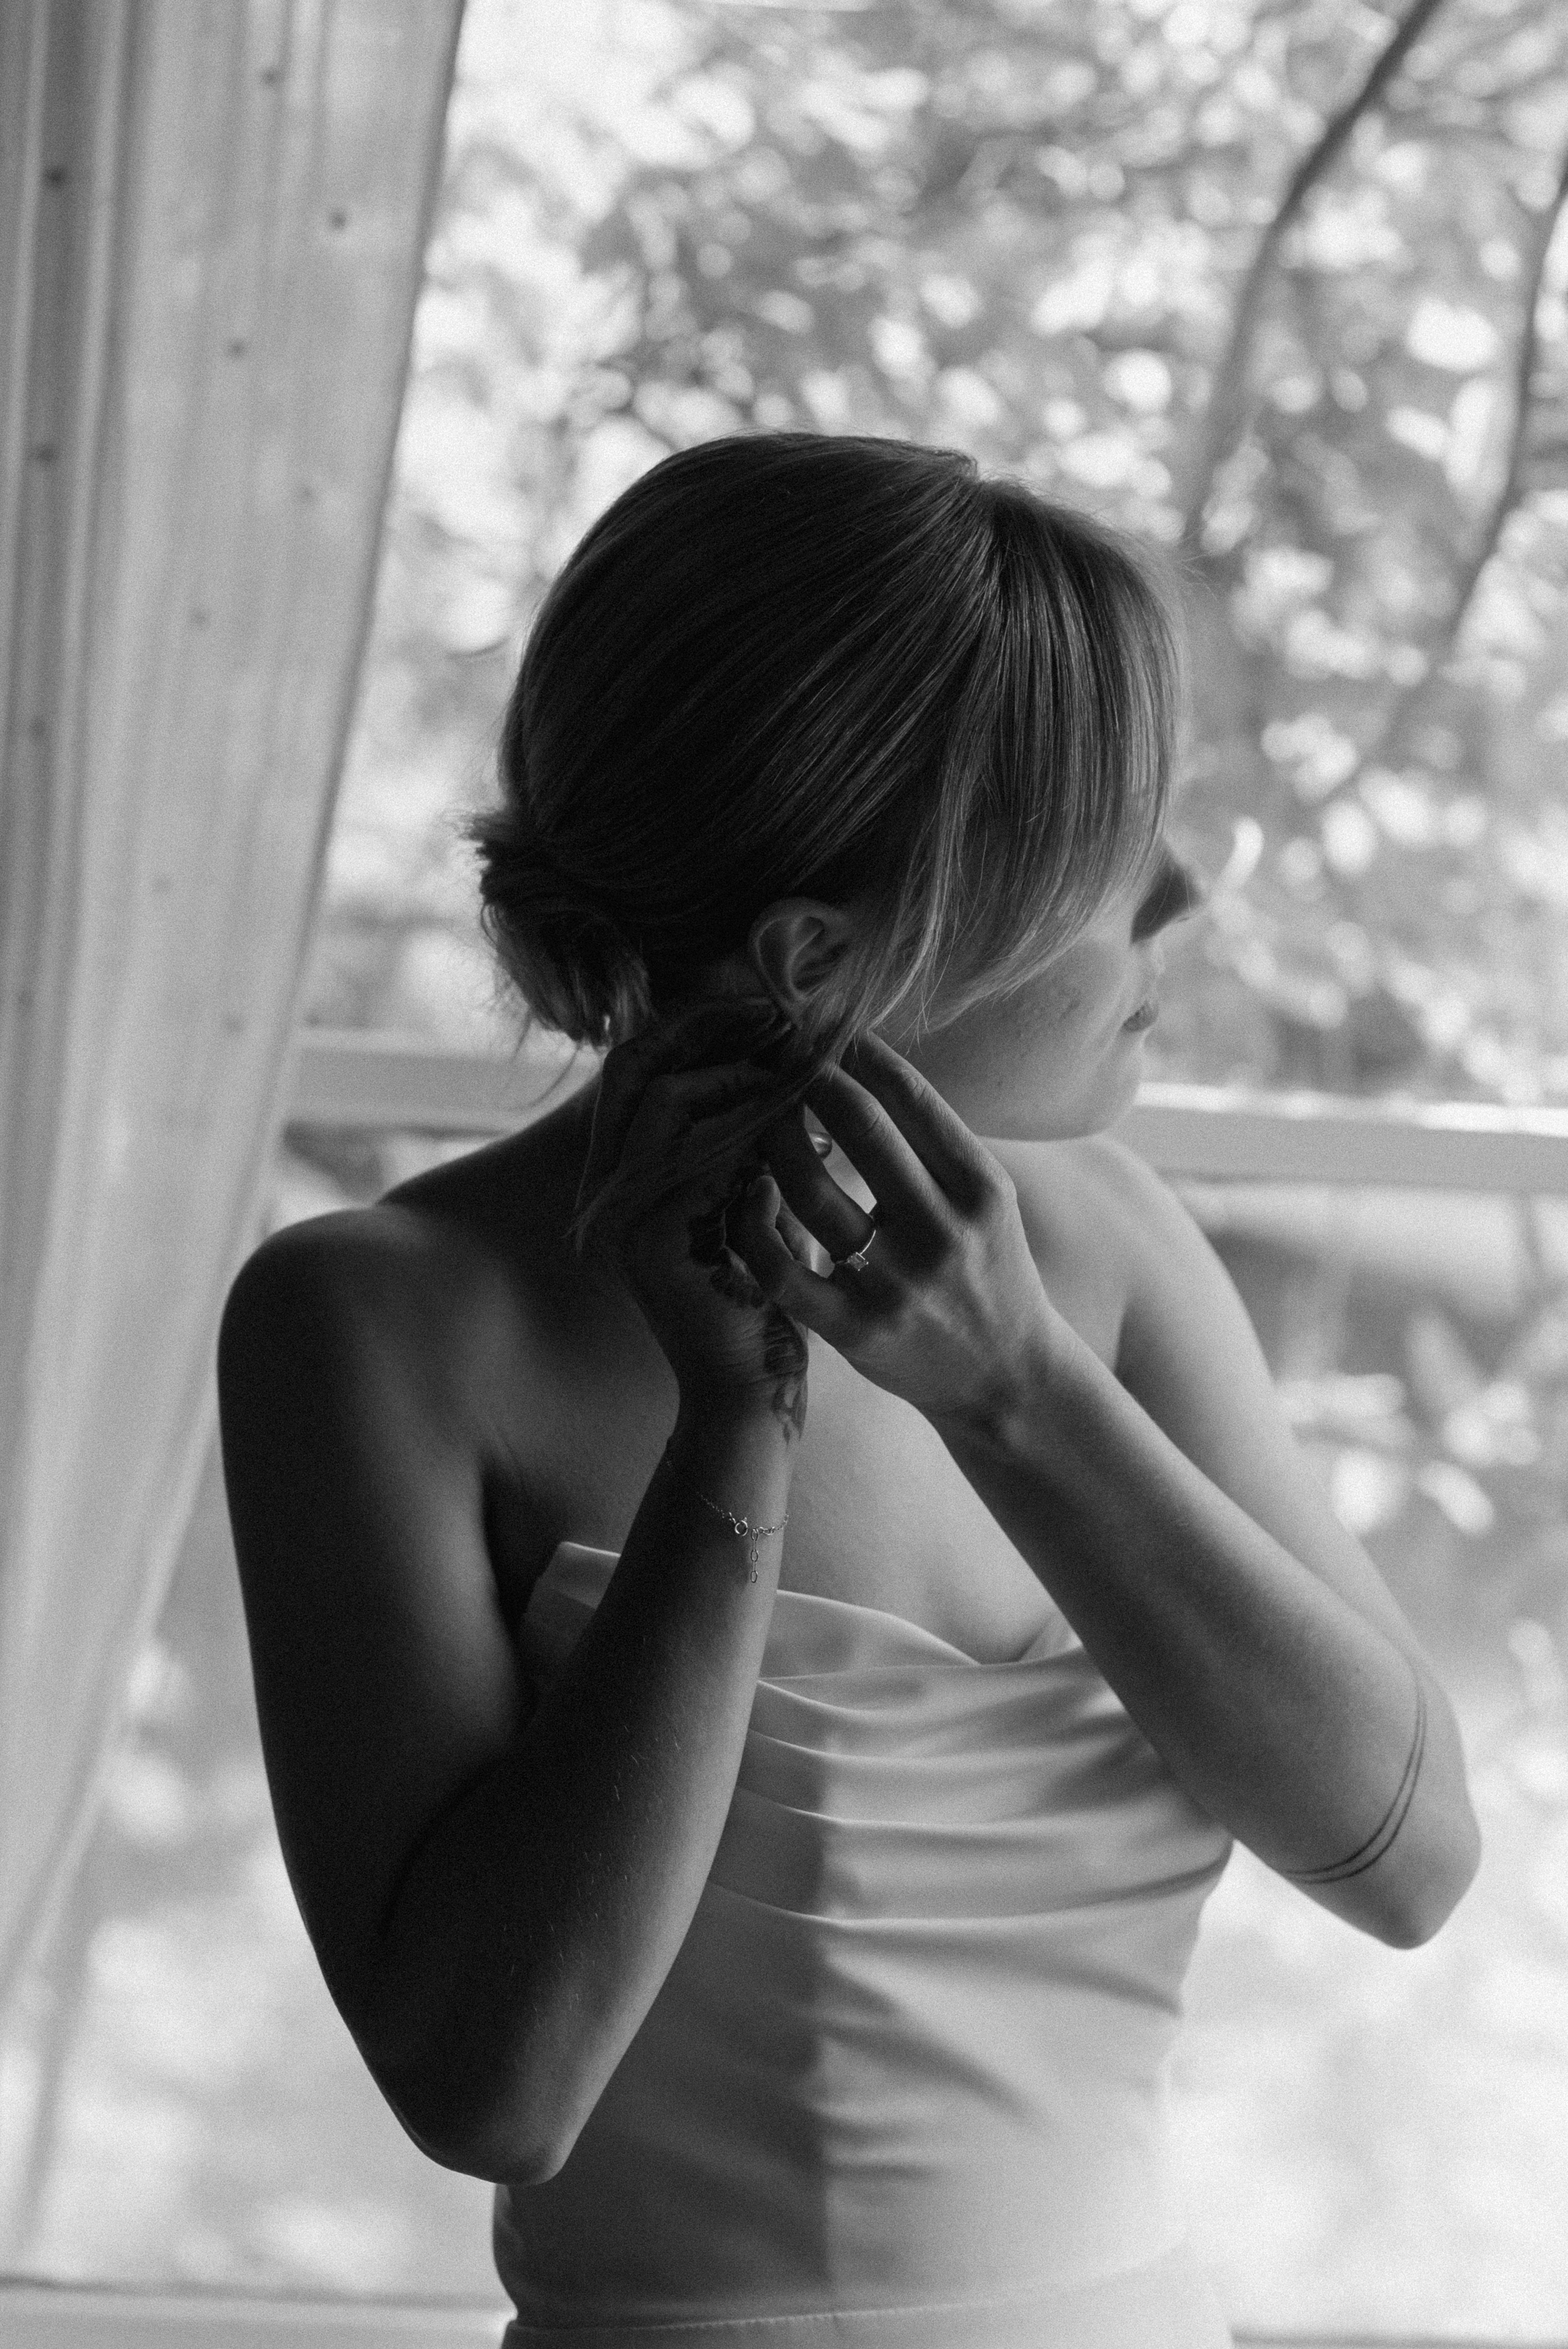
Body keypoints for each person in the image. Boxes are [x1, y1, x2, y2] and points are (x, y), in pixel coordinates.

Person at [216, 432, 1481, 2348]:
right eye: (1105, 852)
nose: (1185, 896)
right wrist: (734, 1429)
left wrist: (1020, 1391)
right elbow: (496, 2088)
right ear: (821, 957)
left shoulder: (1120, 1255)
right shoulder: (373, 1322)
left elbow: (1406, 1863)